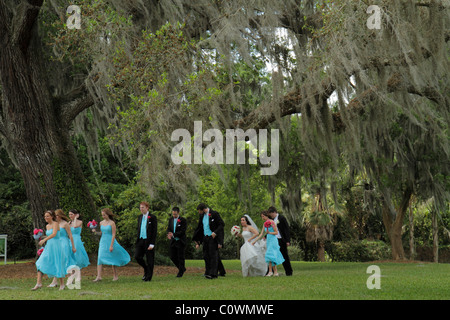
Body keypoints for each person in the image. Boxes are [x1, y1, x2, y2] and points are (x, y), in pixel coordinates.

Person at [93, 208, 130, 281]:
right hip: (103, 241)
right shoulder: (101, 223)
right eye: (102, 215)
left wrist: (111, 245)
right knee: (100, 257)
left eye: (104, 215)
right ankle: (99, 276)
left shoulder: (112, 223)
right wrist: (95, 232)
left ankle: (115, 276)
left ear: (108, 214)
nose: (103, 216)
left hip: (110, 241)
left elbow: (113, 234)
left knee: (113, 257)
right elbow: (101, 233)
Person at [31, 210, 66, 290]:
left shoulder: (55, 224)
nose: (46, 218)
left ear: (52, 217)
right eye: (45, 216)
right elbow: (49, 235)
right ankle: (39, 283)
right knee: (40, 262)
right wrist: (40, 237)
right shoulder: (47, 226)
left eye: (47, 216)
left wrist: (44, 240)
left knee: (57, 263)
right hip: (49, 247)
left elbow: (54, 234)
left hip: (56, 246)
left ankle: (62, 284)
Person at [192, 203, 224, 279]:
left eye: (199, 211)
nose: (199, 213)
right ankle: (207, 272)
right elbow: (199, 227)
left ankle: (213, 273)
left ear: (203, 209)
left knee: (213, 255)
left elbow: (221, 224)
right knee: (206, 255)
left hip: (212, 237)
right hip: (205, 238)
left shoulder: (214, 214)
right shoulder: (202, 216)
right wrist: (197, 239)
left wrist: (215, 232)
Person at [47, 209, 77, 288]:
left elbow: (70, 235)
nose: (55, 217)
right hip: (57, 243)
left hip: (64, 243)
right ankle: (55, 281)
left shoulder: (65, 224)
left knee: (64, 260)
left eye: (56, 215)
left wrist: (73, 247)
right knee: (57, 260)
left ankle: (70, 278)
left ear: (60, 216)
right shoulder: (54, 224)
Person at [252, 211, 284, 276]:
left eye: (263, 216)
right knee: (269, 255)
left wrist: (269, 233)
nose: (262, 218)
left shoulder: (272, 222)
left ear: (266, 215)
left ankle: (274, 271)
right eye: (261, 217)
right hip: (268, 240)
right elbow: (261, 234)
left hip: (273, 240)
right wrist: (255, 241)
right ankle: (271, 271)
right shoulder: (265, 224)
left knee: (271, 254)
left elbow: (276, 232)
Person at [135, 201, 157, 281]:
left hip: (148, 241)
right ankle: (146, 268)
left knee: (150, 259)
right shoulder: (140, 217)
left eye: (143, 207)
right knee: (137, 256)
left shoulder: (152, 217)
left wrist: (152, 243)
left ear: (147, 208)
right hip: (141, 240)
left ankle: (148, 276)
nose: (141, 209)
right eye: (140, 207)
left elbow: (154, 231)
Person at [268, 206, 293, 276]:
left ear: (274, 212)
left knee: (284, 256)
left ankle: (289, 271)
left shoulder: (281, 218)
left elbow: (286, 229)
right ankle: (271, 271)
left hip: (281, 240)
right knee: (272, 255)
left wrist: (288, 240)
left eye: (272, 214)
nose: (271, 216)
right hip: (274, 239)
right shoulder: (271, 220)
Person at [167, 207, 187, 277]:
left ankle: (180, 272)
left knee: (180, 257)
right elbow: (169, 228)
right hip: (173, 241)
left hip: (180, 241)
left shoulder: (183, 220)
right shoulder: (171, 220)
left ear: (178, 213)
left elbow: (183, 231)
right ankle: (182, 268)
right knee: (172, 256)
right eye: (173, 214)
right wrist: (169, 234)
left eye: (175, 214)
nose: (174, 216)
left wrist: (174, 234)